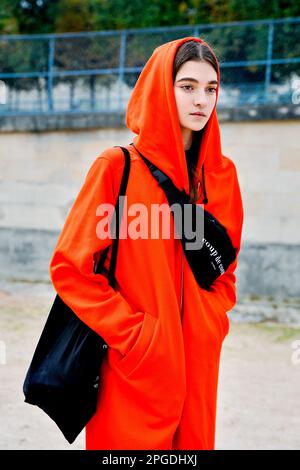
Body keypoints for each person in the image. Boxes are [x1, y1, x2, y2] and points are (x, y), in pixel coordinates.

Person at [49, 36, 244, 450]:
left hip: (198, 372)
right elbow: (71, 269)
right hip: (133, 371)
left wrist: (207, 327)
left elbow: (225, 275)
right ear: (161, 87)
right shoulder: (116, 169)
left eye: (211, 89)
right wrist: (139, 338)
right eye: (187, 86)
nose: (201, 100)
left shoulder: (222, 178)